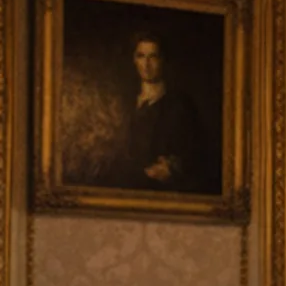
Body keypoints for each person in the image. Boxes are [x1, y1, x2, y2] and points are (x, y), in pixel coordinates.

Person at [88, 34, 215, 195]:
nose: (146, 64)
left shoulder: (180, 106)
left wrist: (173, 168)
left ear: (163, 60)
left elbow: (197, 156)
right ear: (134, 60)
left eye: (153, 57)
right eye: (141, 56)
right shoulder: (124, 102)